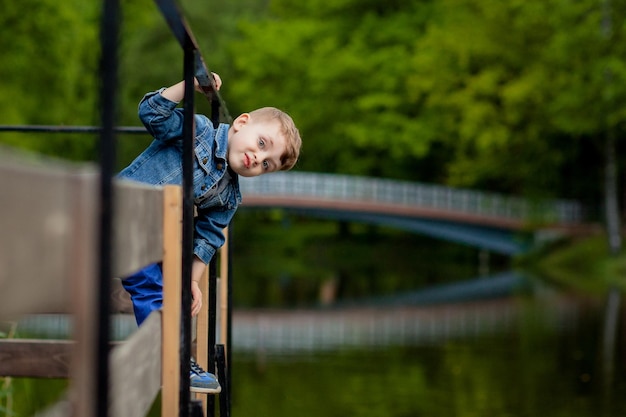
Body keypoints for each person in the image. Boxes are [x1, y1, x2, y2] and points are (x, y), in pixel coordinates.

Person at [118, 73, 302, 394]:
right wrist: (189, 85)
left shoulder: (230, 195)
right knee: (150, 283)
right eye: (261, 145)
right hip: (120, 212)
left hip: (146, 239)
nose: (258, 159)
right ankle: (169, 355)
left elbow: (209, 236)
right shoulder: (200, 132)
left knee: (174, 288)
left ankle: (173, 353)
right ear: (241, 123)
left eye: (267, 164)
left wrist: (193, 279)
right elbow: (152, 113)